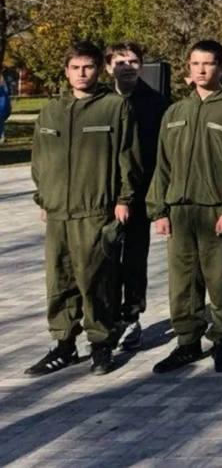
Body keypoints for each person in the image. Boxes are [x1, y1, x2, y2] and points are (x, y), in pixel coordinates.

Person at [27, 41, 142, 376]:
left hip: (96, 210)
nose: (81, 73)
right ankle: (63, 344)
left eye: (88, 67)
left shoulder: (114, 107)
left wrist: (124, 199)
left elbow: (128, 158)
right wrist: (44, 199)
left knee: (96, 281)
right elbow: (39, 160)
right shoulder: (51, 110)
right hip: (58, 212)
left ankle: (101, 344)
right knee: (59, 281)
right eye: (75, 67)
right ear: (66, 71)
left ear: (98, 69)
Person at [147, 39, 222, 374]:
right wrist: (159, 209)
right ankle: (187, 342)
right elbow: (161, 164)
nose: (201, 69)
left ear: (221, 67)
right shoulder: (175, 112)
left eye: (208, 63)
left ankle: (221, 339)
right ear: (188, 68)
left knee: (219, 279)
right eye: (195, 64)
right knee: (182, 282)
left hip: (216, 210)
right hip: (179, 210)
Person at [104, 42, 168, 352]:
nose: (127, 66)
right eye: (120, 62)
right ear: (109, 67)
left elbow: (161, 156)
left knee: (133, 260)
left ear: (141, 66)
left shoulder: (156, 104)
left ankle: (131, 317)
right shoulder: (100, 102)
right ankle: (106, 319)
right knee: (103, 261)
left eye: (133, 61)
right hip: (102, 195)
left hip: (141, 196)